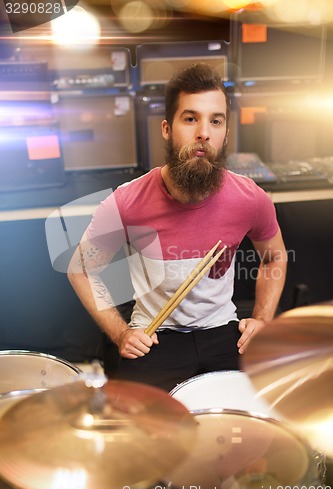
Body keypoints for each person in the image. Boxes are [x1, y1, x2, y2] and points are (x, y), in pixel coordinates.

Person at [67, 63, 287, 391]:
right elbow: (81, 269)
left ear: (226, 131)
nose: (204, 133)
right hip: (155, 336)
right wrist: (120, 333)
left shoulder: (249, 198)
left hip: (223, 333)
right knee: (134, 428)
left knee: (257, 421)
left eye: (216, 120)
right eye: (190, 118)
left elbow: (275, 257)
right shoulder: (126, 201)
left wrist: (263, 318)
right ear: (167, 129)